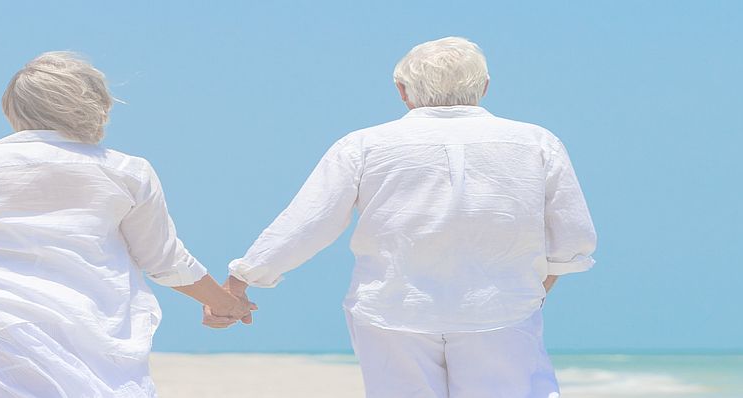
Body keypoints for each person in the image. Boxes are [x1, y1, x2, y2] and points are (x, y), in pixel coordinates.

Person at [223, 37, 596, 398]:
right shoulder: (536, 142)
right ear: (484, 87)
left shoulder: (363, 146)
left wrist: (242, 280)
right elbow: (573, 238)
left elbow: (308, 222)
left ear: (402, 90)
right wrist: (531, 291)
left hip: (392, 310)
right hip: (501, 310)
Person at [0, 52, 255, 395]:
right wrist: (224, 304)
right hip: (101, 328)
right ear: (94, 105)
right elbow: (165, 261)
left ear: (13, 108)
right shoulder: (128, 171)